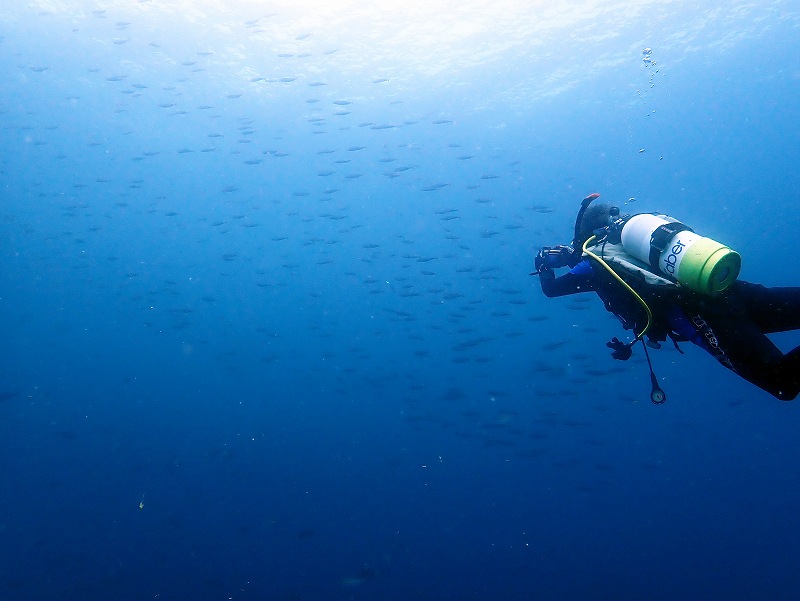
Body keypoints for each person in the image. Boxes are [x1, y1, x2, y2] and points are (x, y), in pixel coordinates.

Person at [533, 193, 800, 402]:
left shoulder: (594, 262)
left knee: (782, 383)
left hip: (703, 316)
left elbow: (552, 290)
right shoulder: (636, 242)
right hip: (723, 286)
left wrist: (544, 266)